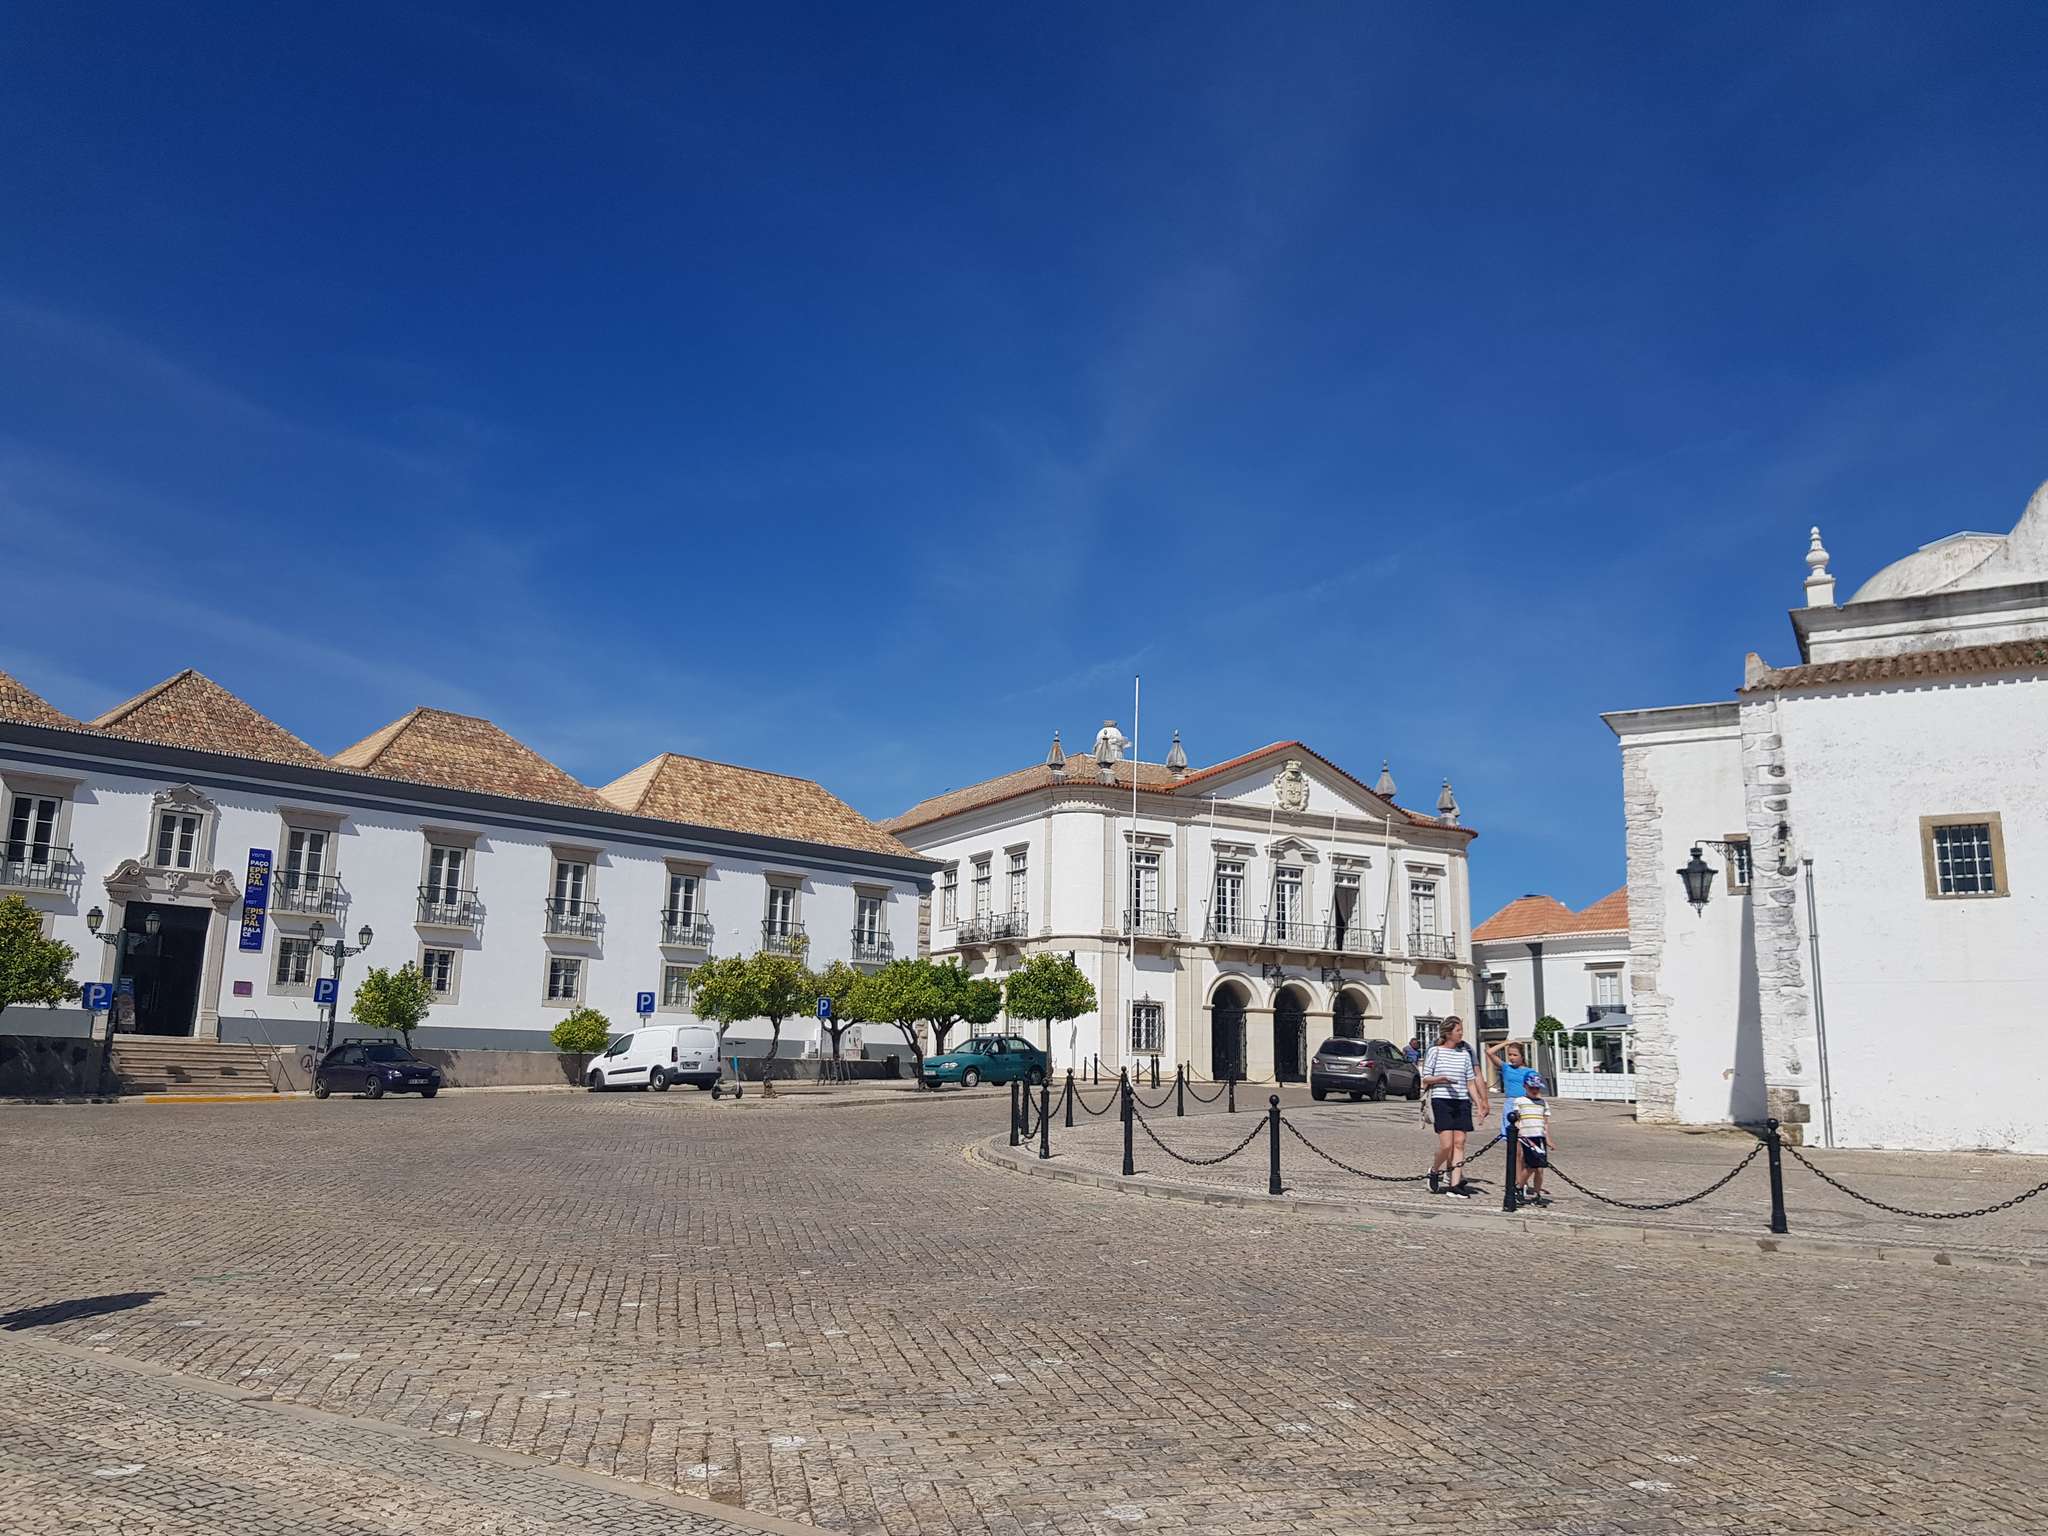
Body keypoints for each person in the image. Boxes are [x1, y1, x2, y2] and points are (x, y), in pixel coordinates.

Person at [1420, 1017, 1488, 1197]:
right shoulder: (1435, 1051)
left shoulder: (1464, 1054)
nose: (1461, 1033)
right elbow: (1425, 1078)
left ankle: (1455, 1184)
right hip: (1442, 1100)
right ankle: (1434, 1170)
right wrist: (1440, 1079)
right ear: (1448, 1033)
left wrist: (1479, 1103)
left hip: (1462, 1101)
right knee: (1446, 1145)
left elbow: (1470, 1082)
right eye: (1458, 1030)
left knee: (1460, 1143)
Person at [1512, 1074, 1553, 1207]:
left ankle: (1537, 1193)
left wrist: (1548, 1139)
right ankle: (1519, 1187)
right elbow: (1516, 1119)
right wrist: (1517, 1132)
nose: (1534, 1090)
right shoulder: (1520, 1101)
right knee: (1530, 1166)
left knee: (1540, 1168)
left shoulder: (1543, 1103)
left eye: (1537, 1088)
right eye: (1531, 1088)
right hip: (1527, 1137)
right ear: (1525, 1086)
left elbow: (1545, 1123)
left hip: (1539, 1136)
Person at [1486, 1039, 1538, 1134]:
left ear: (1522, 1056)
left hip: (1525, 1102)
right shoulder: (1506, 1068)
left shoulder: (1530, 1072)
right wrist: (1507, 1043)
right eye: (1510, 1055)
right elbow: (1489, 1052)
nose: (1512, 1057)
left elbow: (1536, 1091)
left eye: (1515, 1055)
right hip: (1511, 1103)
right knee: (1511, 1133)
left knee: (1526, 1132)